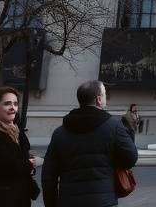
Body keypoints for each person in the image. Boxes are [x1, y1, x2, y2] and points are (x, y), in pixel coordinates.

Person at [42, 79, 138, 207]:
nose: (106, 98)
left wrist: (51, 203)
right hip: (103, 201)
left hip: (69, 201)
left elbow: (49, 175)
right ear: (98, 99)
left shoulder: (59, 133)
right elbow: (131, 158)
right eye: (105, 94)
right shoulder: (114, 127)